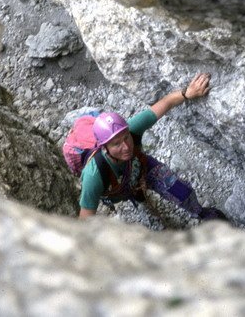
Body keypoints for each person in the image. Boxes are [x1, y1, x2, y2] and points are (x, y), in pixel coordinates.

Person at [78, 72, 226, 221]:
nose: (126, 146)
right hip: (116, 188)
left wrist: (186, 93)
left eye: (126, 138)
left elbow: (166, 103)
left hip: (140, 167)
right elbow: (85, 221)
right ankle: (138, 195)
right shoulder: (94, 175)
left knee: (180, 190)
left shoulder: (131, 129)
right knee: (131, 191)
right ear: (104, 147)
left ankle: (200, 212)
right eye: (117, 144)